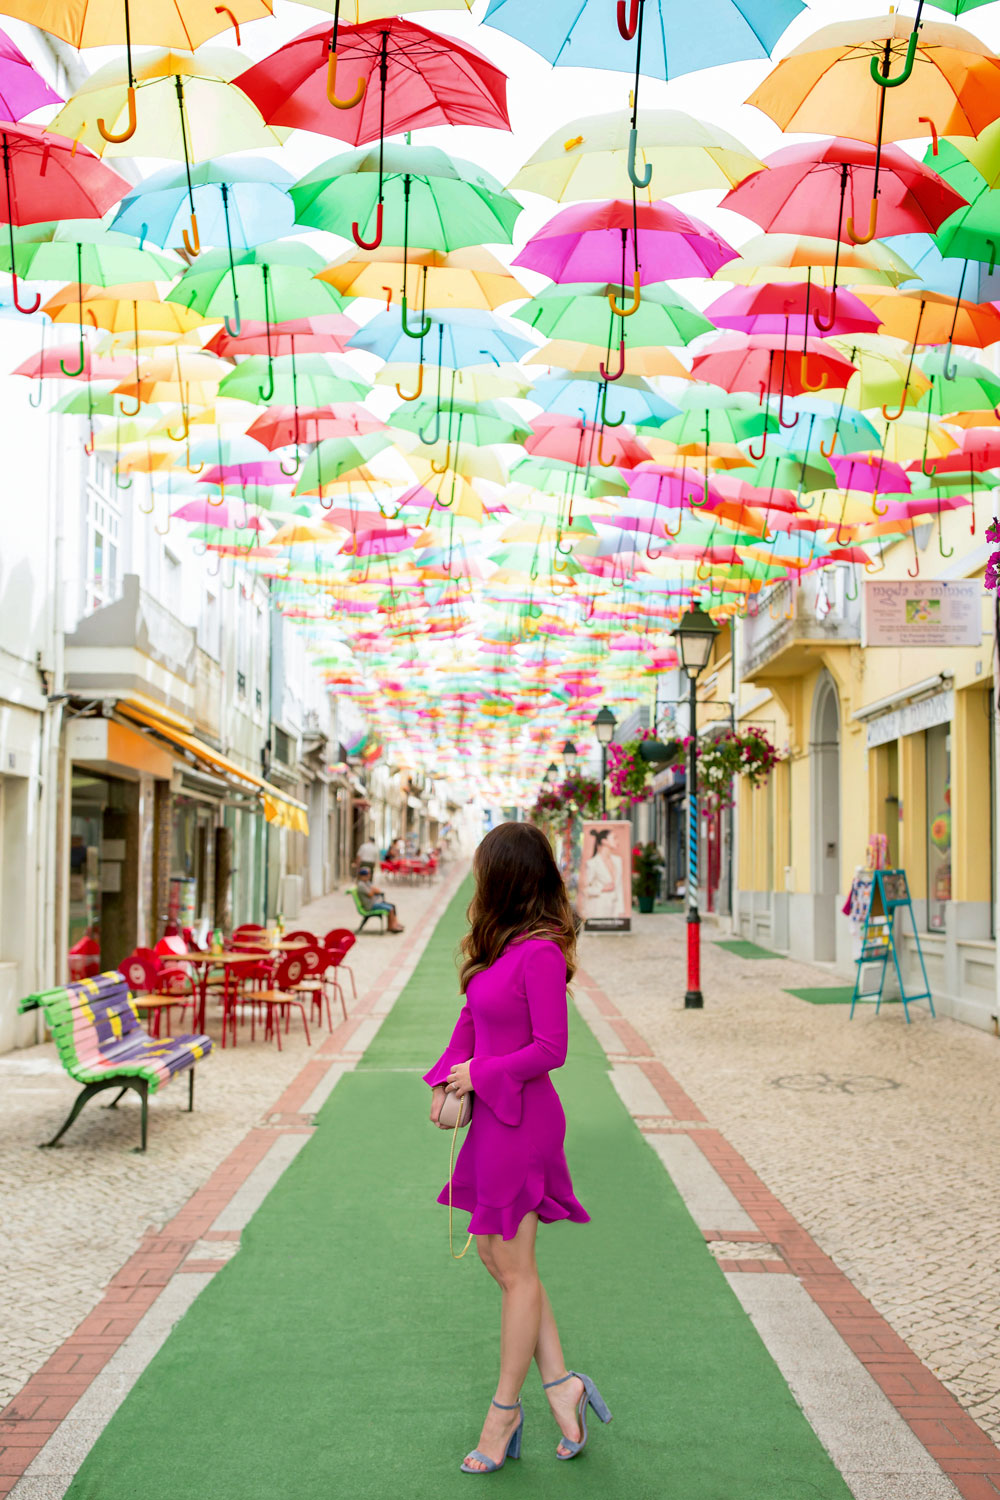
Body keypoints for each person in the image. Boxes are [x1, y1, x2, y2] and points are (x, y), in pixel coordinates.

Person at [423, 822, 609, 1474]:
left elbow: (550, 1050)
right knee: (504, 1267)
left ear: (505, 875)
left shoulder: (540, 954)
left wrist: (481, 1075)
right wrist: (448, 1079)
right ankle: (563, 1387)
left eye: (483, 870)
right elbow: (469, 1023)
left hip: (525, 1121)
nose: (477, 880)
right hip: (489, 1121)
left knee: (515, 1268)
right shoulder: (500, 949)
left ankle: (504, 1414)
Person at [355, 866, 404, 933]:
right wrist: (373, 890)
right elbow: (370, 894)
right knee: (390, 909)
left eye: (369, 874)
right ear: (363, 876)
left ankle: (394, 925)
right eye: (367, 874)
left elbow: (377, 891)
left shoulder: (366, 882)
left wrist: (373, 890)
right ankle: (391, 927)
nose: (369, 876)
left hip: (375, 902)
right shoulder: (361, 885)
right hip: (371, 906)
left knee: (392, 906)